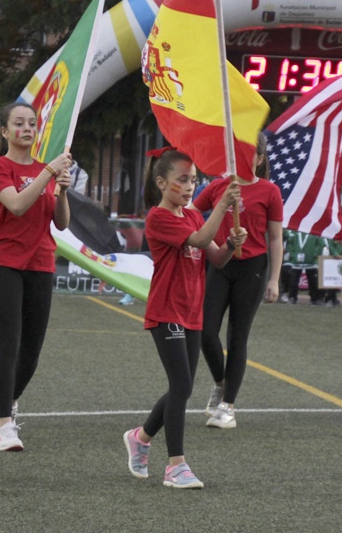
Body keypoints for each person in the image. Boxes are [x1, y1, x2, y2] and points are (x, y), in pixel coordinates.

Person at [122, 147, 244, 490]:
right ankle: (176, 465)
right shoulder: (158, 218)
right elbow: (200, 239)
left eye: (193, 179)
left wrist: (233, 244)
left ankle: (141, 437)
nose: (190, 186)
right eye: (182, 180)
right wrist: (222, 205)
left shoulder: (191, 215)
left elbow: (216, 257)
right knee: (181, 386)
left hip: (192, 312)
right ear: (162, 183)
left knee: (184, 386)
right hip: (166, 311)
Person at [0, 101, 72, 453]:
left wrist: (61, 190)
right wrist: (49, 172)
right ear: (5, 131)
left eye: (32, 123)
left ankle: (9, 402)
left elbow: (61, 222)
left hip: (41, 264)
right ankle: (4, 423)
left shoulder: (44, 170)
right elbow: (16, 205)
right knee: (9, 342)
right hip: (5, 263)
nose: (27, 129)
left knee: (31, 352)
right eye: (19, 123)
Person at [193, 134, 284, 429]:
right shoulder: (219, 186)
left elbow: (275, 238)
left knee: (237, 336)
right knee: (205, 331)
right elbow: (192, 214)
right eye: (237, 151)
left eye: (250, 152)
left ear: (260, 159)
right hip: (220, 264)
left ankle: (228, 406)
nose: (242, 156)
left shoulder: (270, 191)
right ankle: (220, 383)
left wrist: (274, 279)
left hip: (253, 269)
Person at [280, 230, 325, 304]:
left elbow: (320, 244)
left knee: (313, 280)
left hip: (311, 262)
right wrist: (293, 254)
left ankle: (315, 299)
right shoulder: (295, 233)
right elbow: (290, 244)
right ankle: (292, 297)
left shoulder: (315, 232)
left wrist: (314, 254)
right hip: (296, 261)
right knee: (293, 281)